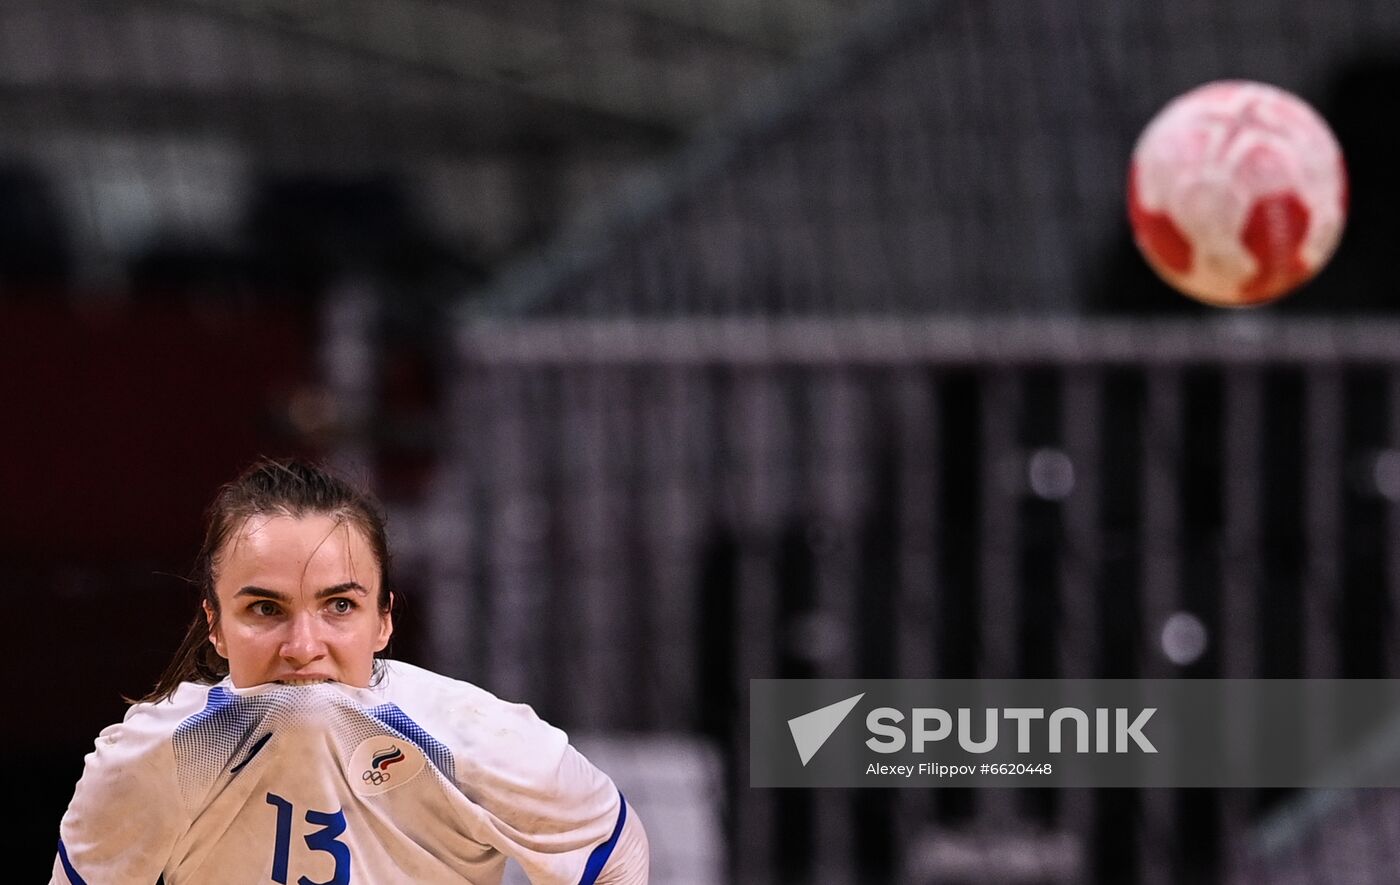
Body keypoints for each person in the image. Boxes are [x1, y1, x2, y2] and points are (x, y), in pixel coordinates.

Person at [51, 458, 648, 884]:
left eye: (339, 605)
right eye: (266, 608)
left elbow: (613, 849)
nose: (303, 645)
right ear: (215, 625)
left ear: (383, 621)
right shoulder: (153, 755)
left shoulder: (472, 738)